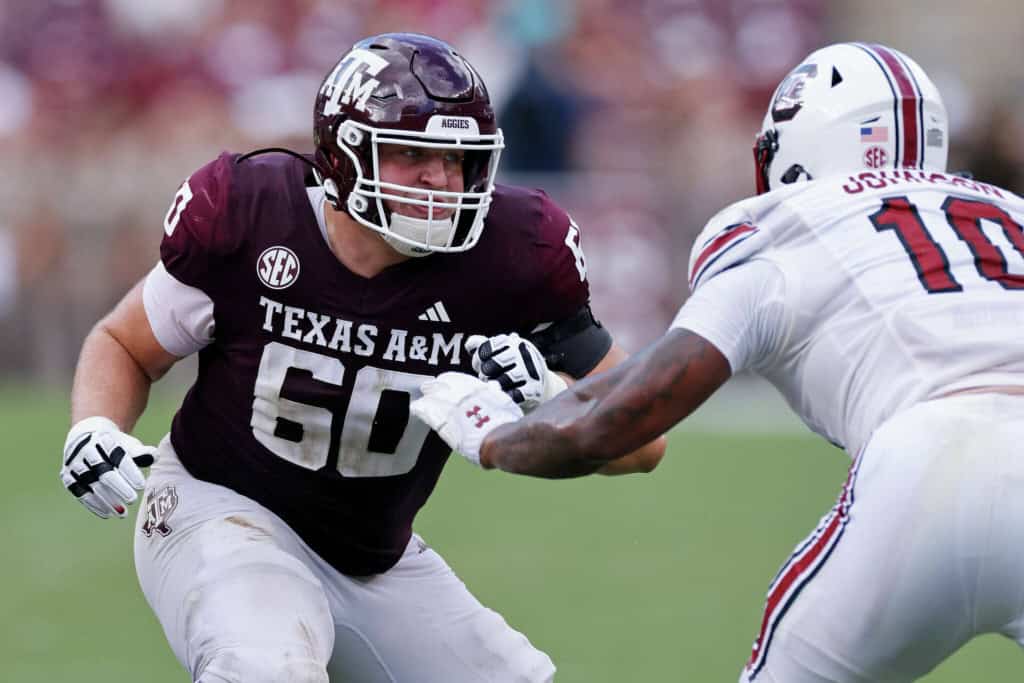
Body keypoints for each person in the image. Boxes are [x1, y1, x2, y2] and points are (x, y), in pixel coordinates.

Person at [58, 32, 666, 683]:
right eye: (413, 154)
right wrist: (96, 424)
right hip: (218, 505)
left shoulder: (514, 255)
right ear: (345, 156)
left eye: (457, 158)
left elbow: (643, 442)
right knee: (267, 667)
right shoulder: (255, 215)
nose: (442, 179)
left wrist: (551, 393)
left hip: (370, 555)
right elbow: (124, 342)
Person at [410, 42, 1024, 682]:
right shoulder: (1011, 215)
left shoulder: (787, 224)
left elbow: (623, 417)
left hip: (927, 466)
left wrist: (496, 435)